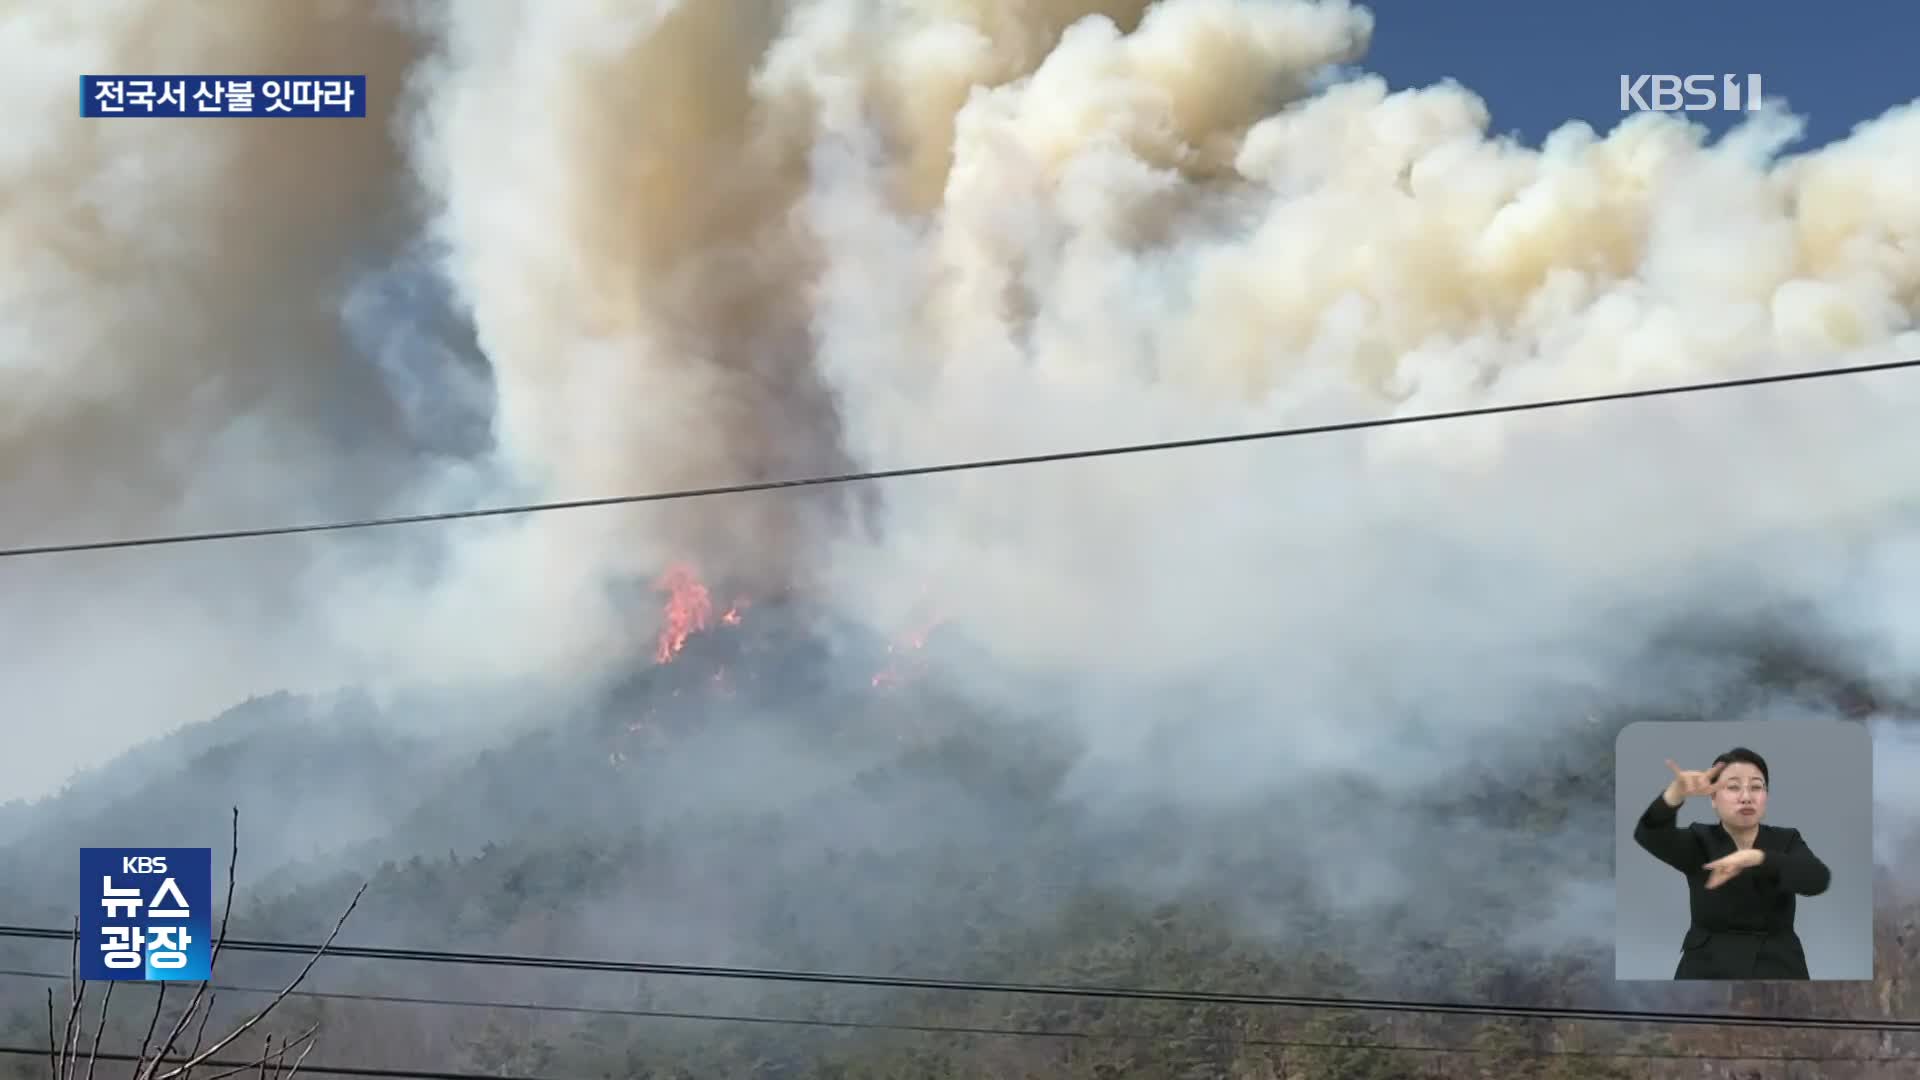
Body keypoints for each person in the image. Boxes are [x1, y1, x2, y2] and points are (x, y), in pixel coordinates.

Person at [1631, 746, 1831, 979]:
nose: (1746, 797)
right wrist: (1676, 792)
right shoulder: (1699, 839)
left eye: (1756, 787)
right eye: (1733, 787)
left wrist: (1756, 858)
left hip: (1777, 963)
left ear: (1766, 795)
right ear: (1713, 799)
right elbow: (1649, 835)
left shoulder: (1786, 839)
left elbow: (1817, 879)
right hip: (1705, 965)